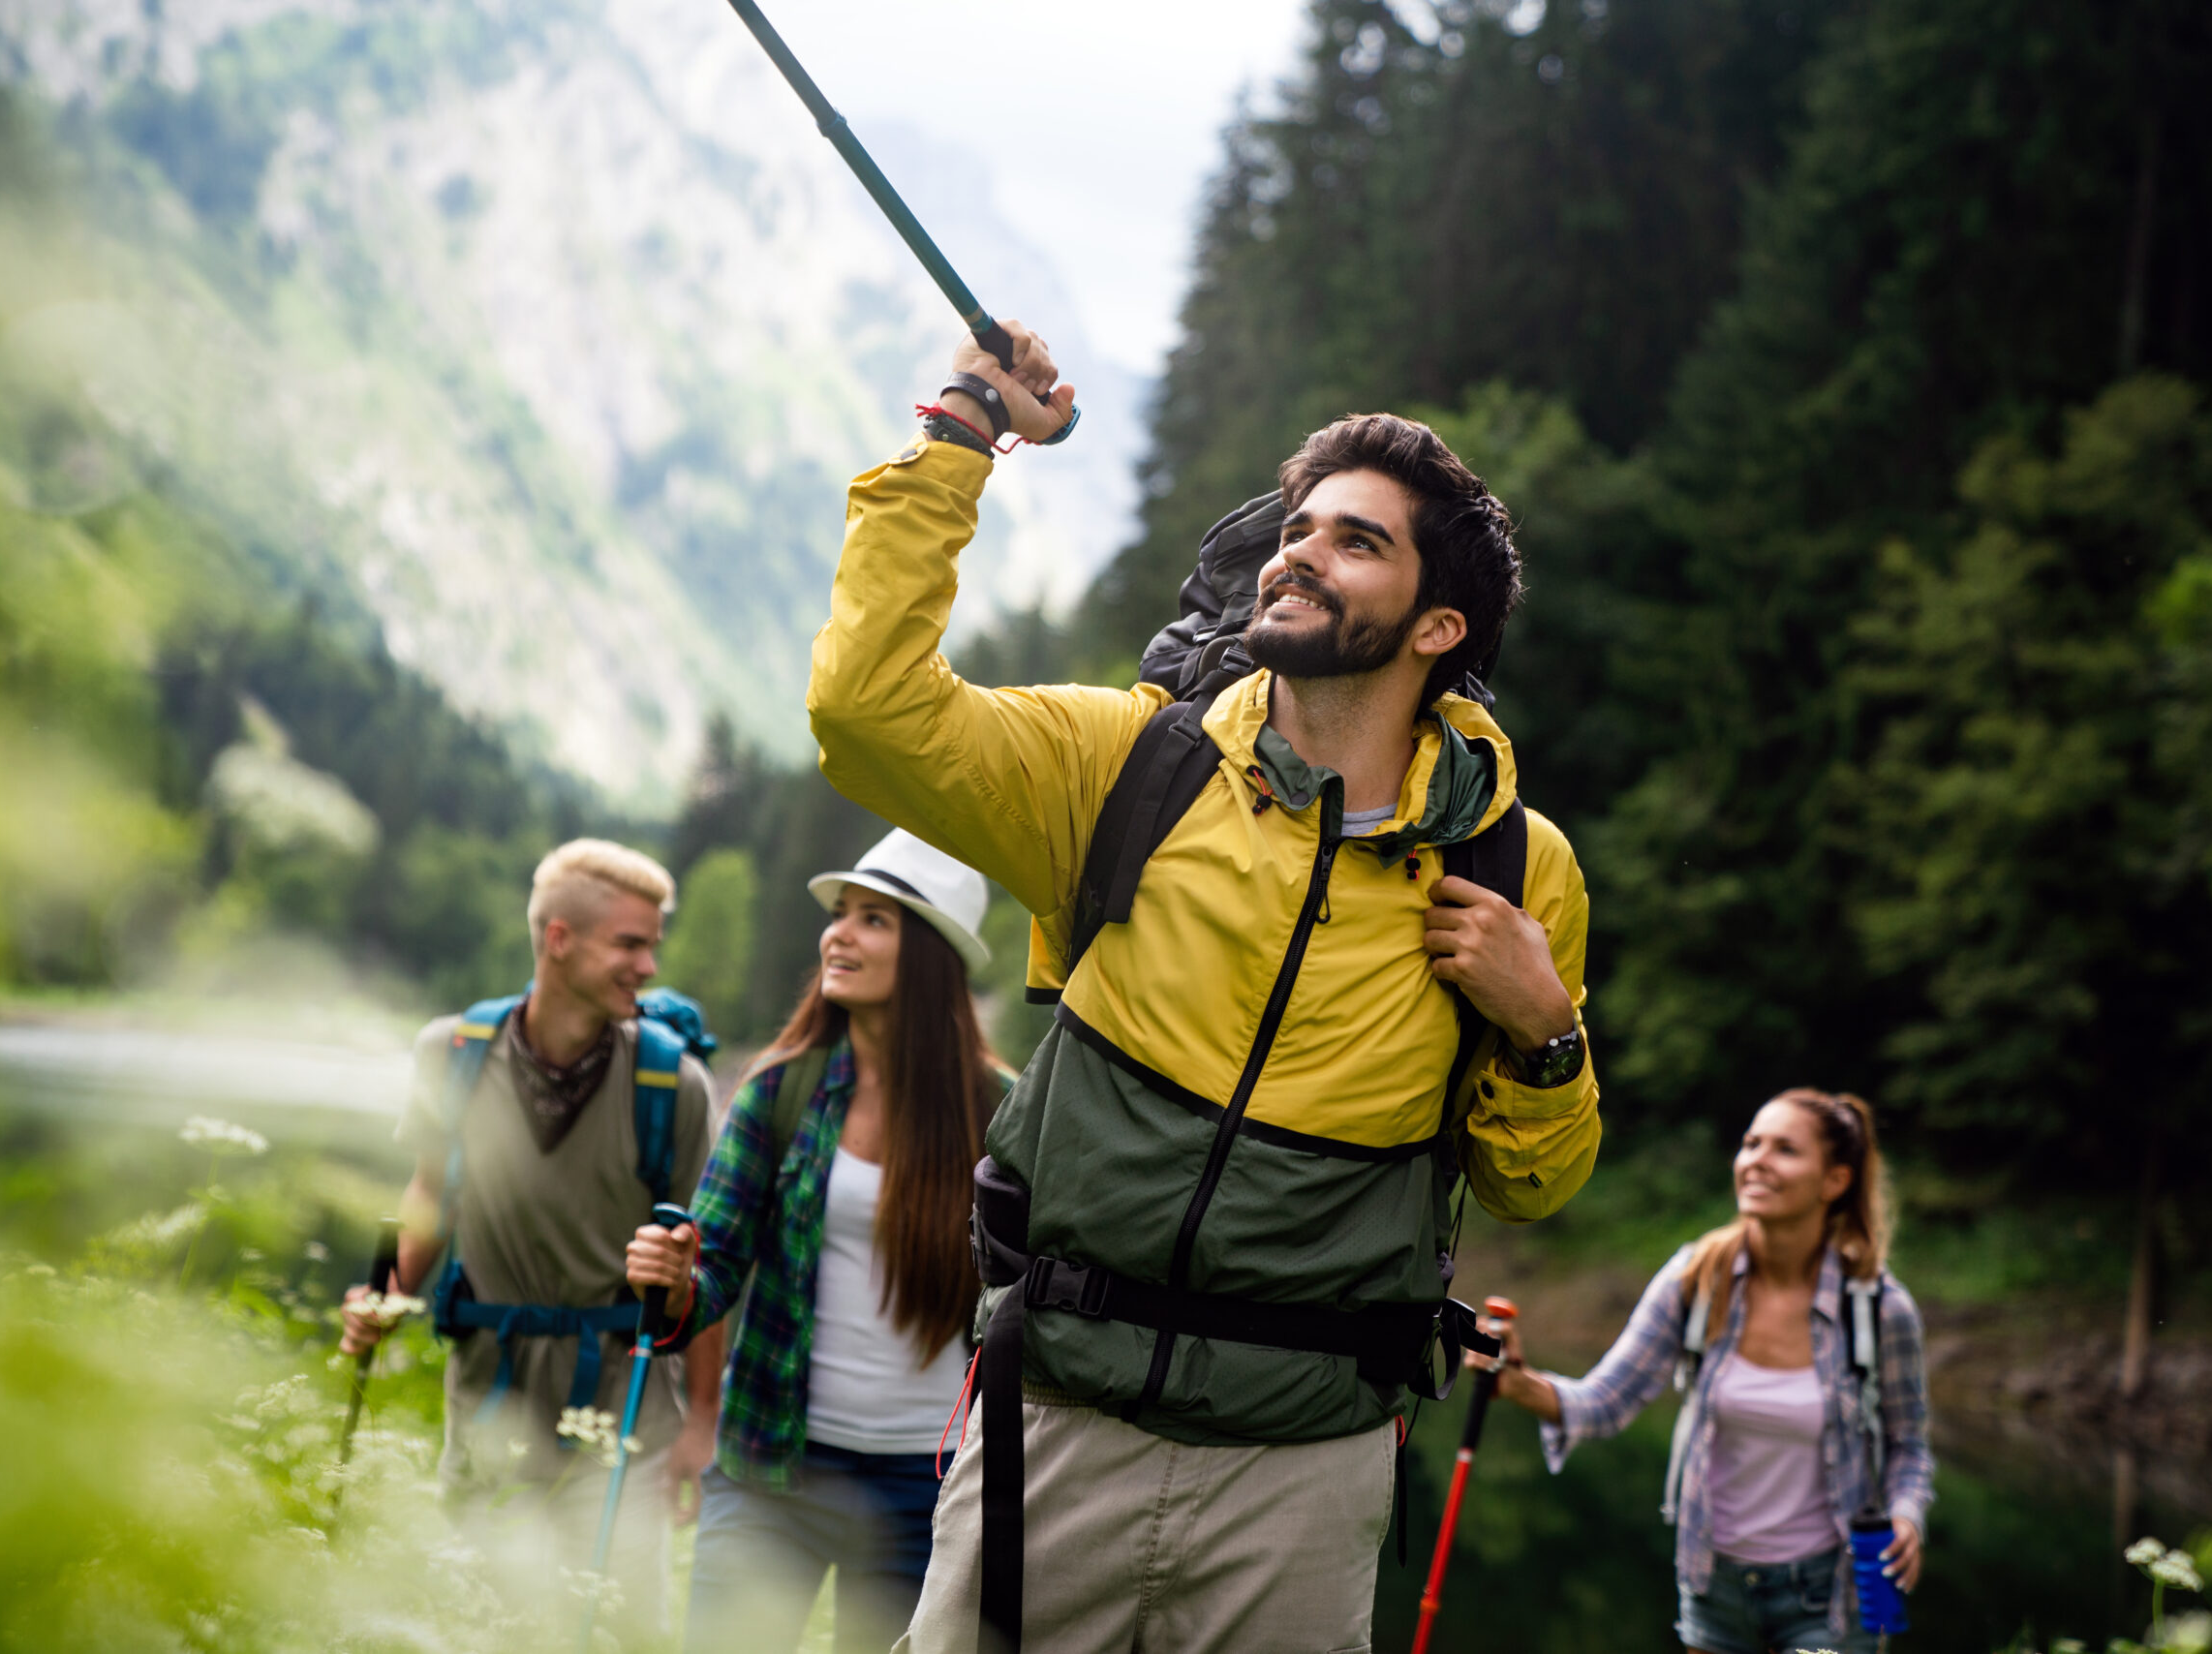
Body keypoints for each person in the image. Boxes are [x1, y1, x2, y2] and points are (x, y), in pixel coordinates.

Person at [795, 323, 1604, 1651]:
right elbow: (866, 713)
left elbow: (1534, 1182)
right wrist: (961, 433)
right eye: (1302, 524)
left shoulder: (1519, 868)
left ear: (1438, 626)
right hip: (1055, 1423)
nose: (1299, 550)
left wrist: (1546, 1033)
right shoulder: (1126, 765)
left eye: (1358, 540)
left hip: (1307, 1469)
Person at [625, 829, 1008, 1653]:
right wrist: (672, 1280)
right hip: (771, 1468)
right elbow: (713, 1272)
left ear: (934, 953)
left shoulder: (1002, 1111)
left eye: (875, 919)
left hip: (929, 1487)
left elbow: (1030, 1299)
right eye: (841, 915)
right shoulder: (779, 1088)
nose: (838, 934)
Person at [340, 839, 725, 1641]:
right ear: (559, 939)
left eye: (652, 943)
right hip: (489, 1402)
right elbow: (429, 1193)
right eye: (630, 943)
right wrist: (387, 1296)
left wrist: (700, 1423)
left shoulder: (674, 1087)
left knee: (615, 1634)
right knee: (478, 1628)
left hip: (623, 1418)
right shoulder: (452, 1056)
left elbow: (703, 1262)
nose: (649, 965)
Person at [1474, 1088, 1934, 1654]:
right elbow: (1604, 1401)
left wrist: (1907, 1517)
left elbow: (1908, 1444)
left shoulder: (1880, 1308)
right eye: (1750, 1144)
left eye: (1784, 1149)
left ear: (1834, 1181)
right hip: (1714, 1585)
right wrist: (1518, 1382)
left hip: (1835, 1592)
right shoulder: (1696, 1279)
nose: (1757, 1160)